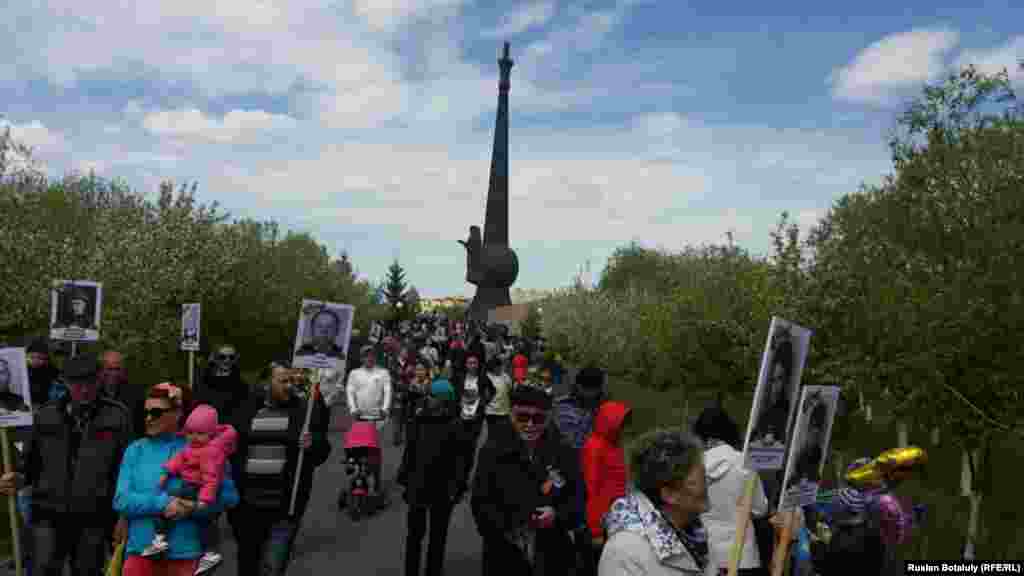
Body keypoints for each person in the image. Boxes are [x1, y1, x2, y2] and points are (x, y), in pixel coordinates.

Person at [0, 354, 132, 576]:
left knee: (87, 570)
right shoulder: (45, 415)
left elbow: (127, 470)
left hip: (94, 514)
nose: (84, 388)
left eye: (89, 381)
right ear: (65, 382)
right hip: (48, 511)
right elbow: (30, 465)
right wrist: (16, 479)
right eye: (76, 382)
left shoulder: (117, 415)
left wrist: (123, 515)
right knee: (43, 569)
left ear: (99, 380)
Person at [113, 382, 239, 575]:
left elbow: (228, 498)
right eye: (145, 412)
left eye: (156, 413)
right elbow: (121, 500)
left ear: (179, 413)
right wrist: (165, 503)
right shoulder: (136, 449)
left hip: (186, 556)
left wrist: (192, 508)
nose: (148, 418)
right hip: (140, 554)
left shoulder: (207, 449)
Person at [228, 362, 331, 575]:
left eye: (292, 381)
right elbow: (231, 450)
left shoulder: (303, 411)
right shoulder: (246, 409)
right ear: (266, 383)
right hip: (248, 507)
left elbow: (322, 450)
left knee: (273, 568)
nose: (290, 385)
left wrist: (313, 444)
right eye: (283, 380)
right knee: (247, 567)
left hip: (284, 508)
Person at [471, 385, 580, 575]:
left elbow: (577, 498)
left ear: (548, 419)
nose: (530, 425)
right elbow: (481, 503)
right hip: (504, 555)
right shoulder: (493, 451)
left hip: (552, 553)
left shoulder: (563, 452)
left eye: (538, 418)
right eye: (522, 417)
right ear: (511, 415)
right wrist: (512, 528)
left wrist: (556, 515)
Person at [599, 428, 717, 576]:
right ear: (670, 495)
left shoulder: (695, 534)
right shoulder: (624, 552)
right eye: (701, 480)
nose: (708, 484)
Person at [142, 404, 238, 557]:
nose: (193, 437)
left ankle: (208, 550)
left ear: (211, 434)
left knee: (202, 522)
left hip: (195, 489)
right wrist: (166, 472)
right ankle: (161, 539)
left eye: (200, 433)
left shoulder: (211, 453)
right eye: (190, 432)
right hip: (188, 487)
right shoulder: (190, 448)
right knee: (166, 506)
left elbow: (211, 479)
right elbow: (179, 459)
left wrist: (202, 501)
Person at [398, 369, 468, 576]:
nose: (429, 399)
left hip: (442, 490)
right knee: (414, 535)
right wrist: (405, 478)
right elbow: (410, 451)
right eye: (428, 395)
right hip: (417, 486)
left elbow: (461, 461)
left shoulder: (456, 425)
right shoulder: (419, 420)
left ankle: (433, 571)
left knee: (438, 536)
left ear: (444, 401)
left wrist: (457, 487)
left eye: (433, 396)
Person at [693, 406, 770, 576]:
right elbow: (760, 509)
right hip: (743, 554)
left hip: (705, 553)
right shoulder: (745, 462)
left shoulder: (693, 465)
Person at [582, 401, 631, 568]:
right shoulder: (595, 446)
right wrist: (595, 530)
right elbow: (592, 488)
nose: (623, 428)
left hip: (615, 515)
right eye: (620, 423)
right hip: (601, 520)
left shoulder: (613, 443)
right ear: (609, 422)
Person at [346, 344, 392, 502]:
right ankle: (357, 475)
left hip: (377, 419)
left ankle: (377, 480)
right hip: (359, 418)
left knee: (374, 452)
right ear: (362, 358)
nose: (369, 358)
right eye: (366, 356)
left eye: (371, 355)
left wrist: (385, 408)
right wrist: (353, 408)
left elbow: (387, 391)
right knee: (357, 449)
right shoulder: (354, 374)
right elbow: (350, 391)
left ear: (375, 357)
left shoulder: (383, 373)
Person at [483, 356, 512, 439]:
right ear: (492, 367)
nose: (500, 368)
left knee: (502, 434)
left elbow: (509, 389)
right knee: (492, 434)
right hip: (491, 412)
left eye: (500, 366)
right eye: (498, 367)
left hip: (504, 411)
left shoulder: (505, 376)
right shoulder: (486, 377)